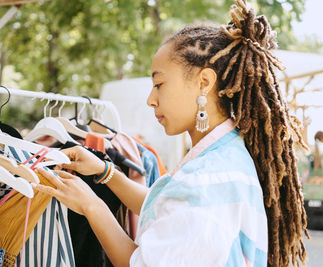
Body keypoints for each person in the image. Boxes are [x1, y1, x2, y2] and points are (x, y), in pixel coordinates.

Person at [33, 1, 308, 266]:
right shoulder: (224, 155)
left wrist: (92, 205)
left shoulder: (204, 181)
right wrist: (105, 171)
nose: (151, 100)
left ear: (204, 82)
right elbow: (163, 204)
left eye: (159, 83)